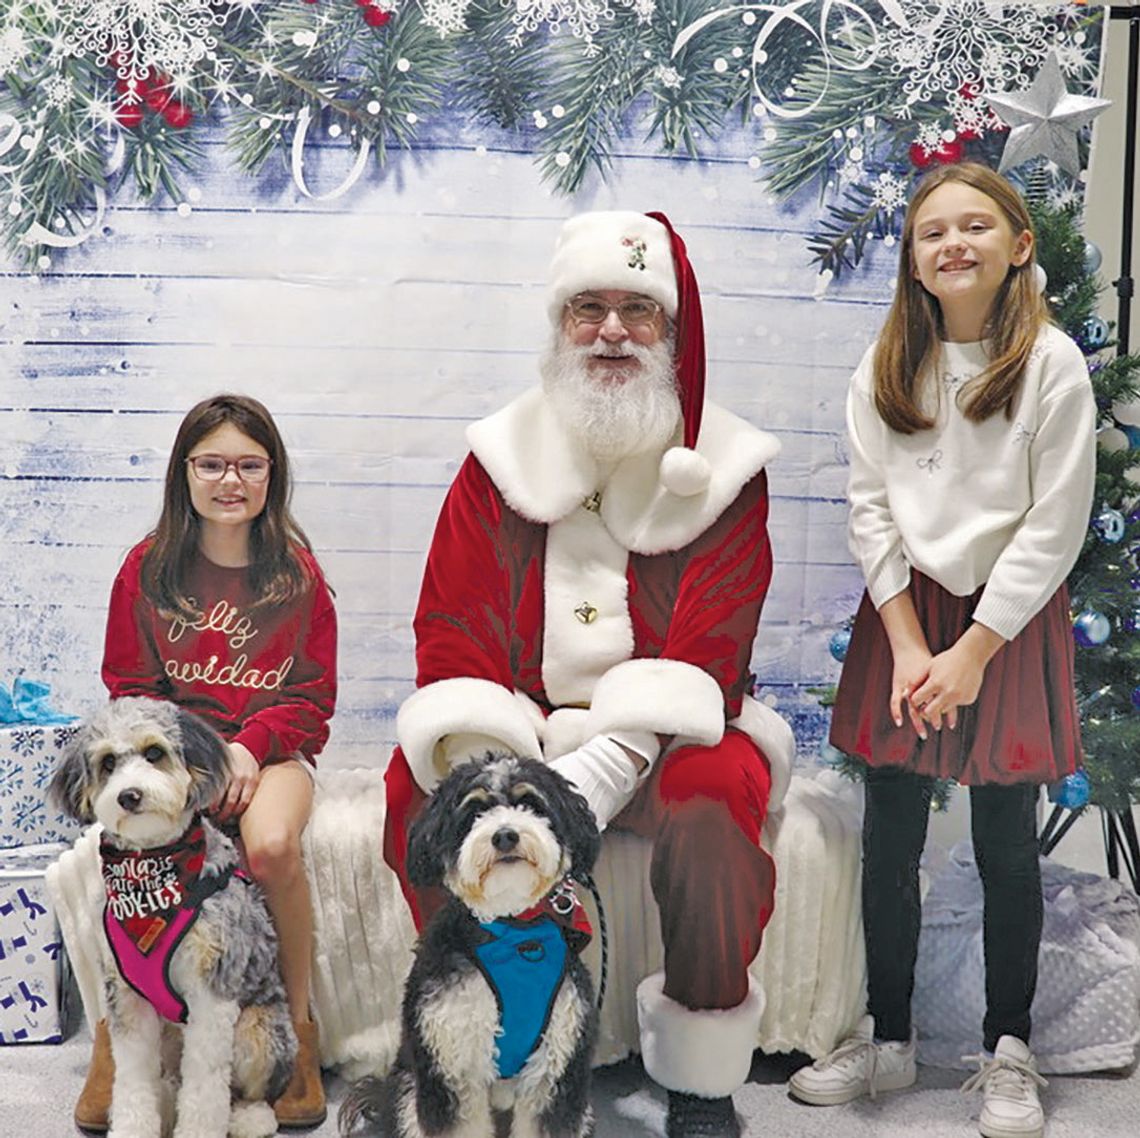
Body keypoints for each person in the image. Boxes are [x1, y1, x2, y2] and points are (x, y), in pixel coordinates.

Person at [382, 210, 791, 1138]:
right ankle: (460, 1026)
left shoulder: (727, 469)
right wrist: (503, 772)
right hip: (522, 728)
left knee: (714, 803)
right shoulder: (498, 459)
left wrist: (602, 771)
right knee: (415, 791)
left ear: (672, 333)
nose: (611, 331)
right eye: (589, 309)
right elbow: (452, 627)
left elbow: (710, 649)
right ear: (560, 326)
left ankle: (698, 1075)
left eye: (637, 312)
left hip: (673, 731)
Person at [788, 163, 1096, 1138]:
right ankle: (889, 1037)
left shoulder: (1052, 366)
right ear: (914, 261)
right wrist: (915, 644)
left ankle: (1010, 1047)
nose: (952, 243)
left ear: (1018, 245)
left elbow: (1055, 524)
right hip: (905, 621)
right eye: (932, 232)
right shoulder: (884, 369)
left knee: (1008, 841)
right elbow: (871, 511)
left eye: (975, 226)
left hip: (1009, 614)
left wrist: (971, 651)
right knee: (891, 835)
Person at [74, 393, 337, 1132]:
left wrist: (249, 748)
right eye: (212, 463)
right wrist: (194, 759)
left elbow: (313, 697)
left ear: (271, 475)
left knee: (273, 845)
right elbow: (130, 691)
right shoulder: (147, 571)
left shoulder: (299, 577)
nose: (231, 480)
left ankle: (297, 1034)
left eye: (249, 465)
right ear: (184, 473)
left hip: (269, 750)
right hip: (171, 751)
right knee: (126, 842)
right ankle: (116, 1035)